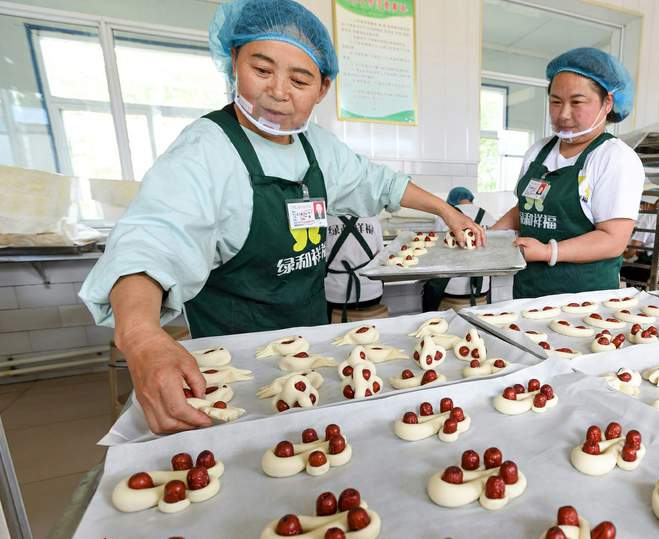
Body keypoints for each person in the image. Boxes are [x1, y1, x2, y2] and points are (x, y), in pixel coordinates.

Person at [78, 0, 483, 434]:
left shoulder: (317, 148)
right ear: (234, 62)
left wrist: (446, 211)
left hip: (307, 345)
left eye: (300, 79)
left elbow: (381, 183)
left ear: (323, 88)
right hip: (233, 364)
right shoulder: (205, 151)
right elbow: (151, 242)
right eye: (262, 69)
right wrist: (141, 336)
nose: (278, 92)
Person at [490, 47, 643, 298]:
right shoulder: (539, 151)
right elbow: (524, 210)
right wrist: (488, 239)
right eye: (556, 101)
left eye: (576, 102)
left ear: (607, 103)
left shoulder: (615, 158)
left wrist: (547, 251)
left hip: (585, 300)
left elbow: (614, 240)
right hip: (529, 292)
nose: (563, 114)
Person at [423, 187, 497, 311]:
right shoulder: (489, 217)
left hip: (451, 288)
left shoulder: (444, 217)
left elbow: (435, 253)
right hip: (481, 287)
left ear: (451, 201)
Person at [324, 215, 384, 322]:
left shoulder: (325, 219)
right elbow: (379, 254)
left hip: (334, 293)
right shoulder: (371, 218)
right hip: (370, 291)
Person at [621, 189, 659, 286]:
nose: (642, 207)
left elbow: (636, 244)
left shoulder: (650, 216)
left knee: (622, 270)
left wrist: (625, 256)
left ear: (648, 202)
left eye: (642, 204)